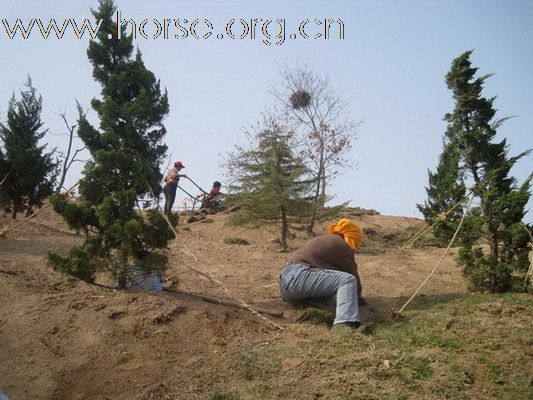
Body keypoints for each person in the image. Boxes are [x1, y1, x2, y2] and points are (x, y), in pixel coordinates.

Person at [279, 218, 365, 333]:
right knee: (348, 280)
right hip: (299, 277)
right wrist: (358, 298)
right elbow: (352, 277)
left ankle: (315, 313)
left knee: (336, 292)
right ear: (352, 237)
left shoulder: (326, 240)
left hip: (288, 287)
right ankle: (343, 324)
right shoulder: (341, 245)